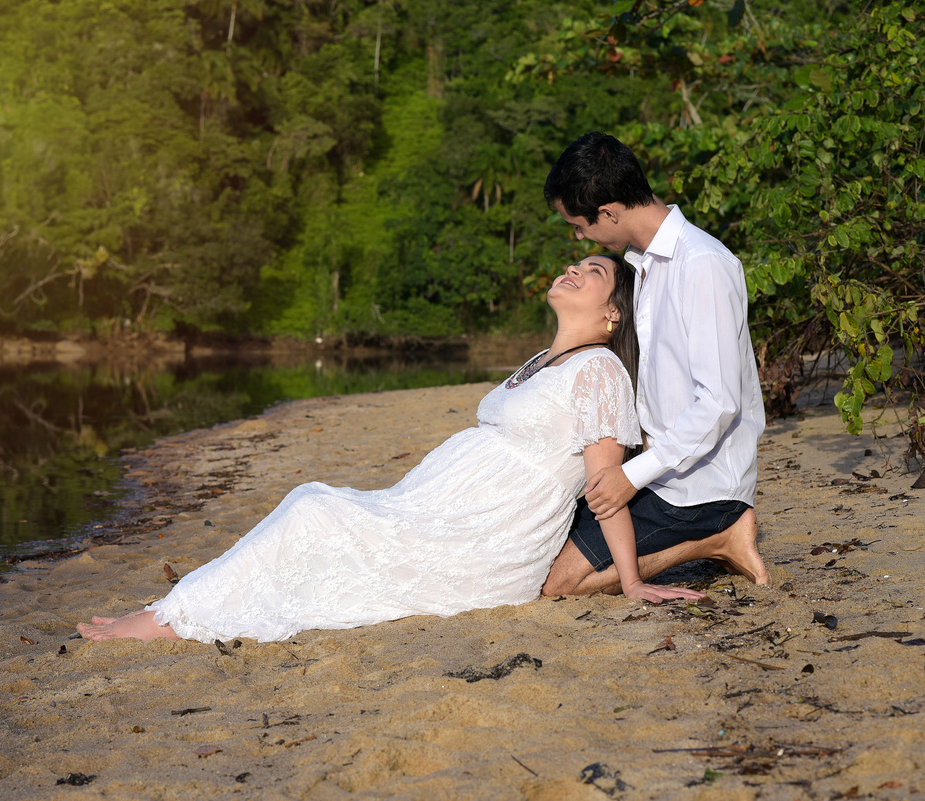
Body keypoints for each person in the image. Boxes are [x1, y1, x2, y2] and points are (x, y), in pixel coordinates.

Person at [78, 253, 704, 645]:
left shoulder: (599, 371)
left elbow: (606, 487)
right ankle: (179, 609)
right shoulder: (546, 359)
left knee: (312, 509)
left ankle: (173, 618)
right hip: (440, 510)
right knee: (314, 514)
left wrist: (630, 581)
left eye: (593, 272)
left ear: (614, 313)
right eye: (576, 263)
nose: (573, 269)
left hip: (485, 536)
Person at [539, 131, 770, 599]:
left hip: (698, 489)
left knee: (558, 584)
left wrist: (630, 477)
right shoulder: (646, 265)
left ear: (609, 212)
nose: (579, 237)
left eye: (579, 225)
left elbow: (719, 403)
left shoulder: (701, 263)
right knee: (535, 548)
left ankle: (718, 537)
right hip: (659, 474)